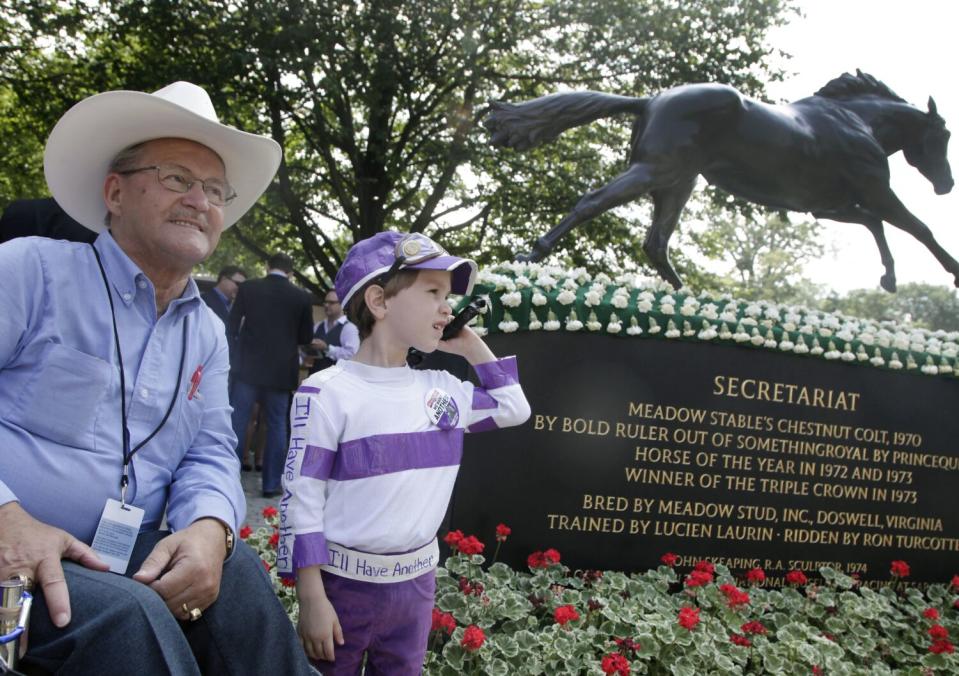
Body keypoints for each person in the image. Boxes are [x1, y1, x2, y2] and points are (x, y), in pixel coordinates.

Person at [0, 81, 313, 675]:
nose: (200, 200)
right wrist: (6, 518)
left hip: (115, 555)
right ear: (115, 192)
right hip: (13, 553)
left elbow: (211, 449)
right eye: (176, 178)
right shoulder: (29, 271)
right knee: (129, 615)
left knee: (237, 574)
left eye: (215, 189)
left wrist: (209, 526)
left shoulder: (206, 331)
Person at [279, 231, 531, 674]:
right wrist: (311, 596)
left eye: (448, 296)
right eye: (433, 292)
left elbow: (515, 408)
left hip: (416, 588)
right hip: (342, 587)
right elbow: (302, 499)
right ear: (379, 302)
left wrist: (469, 344)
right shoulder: (325, 392)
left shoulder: (443, 389)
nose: (446, 307)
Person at [228, 252, 314, 496]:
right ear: (290, 272)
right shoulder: (302, 297)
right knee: (277, 427)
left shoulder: (249, 288)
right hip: (280, 372)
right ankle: (271, 483)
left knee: (237, 422)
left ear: (267, 266)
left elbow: (232, 325)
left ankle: (228, 476)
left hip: (247, 368)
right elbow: (305, 338)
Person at [308, 289, 358, 374]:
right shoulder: (318, 325)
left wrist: (327, 348)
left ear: (342, 304)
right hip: (314, 378)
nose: (326, 305)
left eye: (331, 303)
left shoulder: (349, 328)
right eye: (325, 302)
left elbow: (352, 355)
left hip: (336, 380)